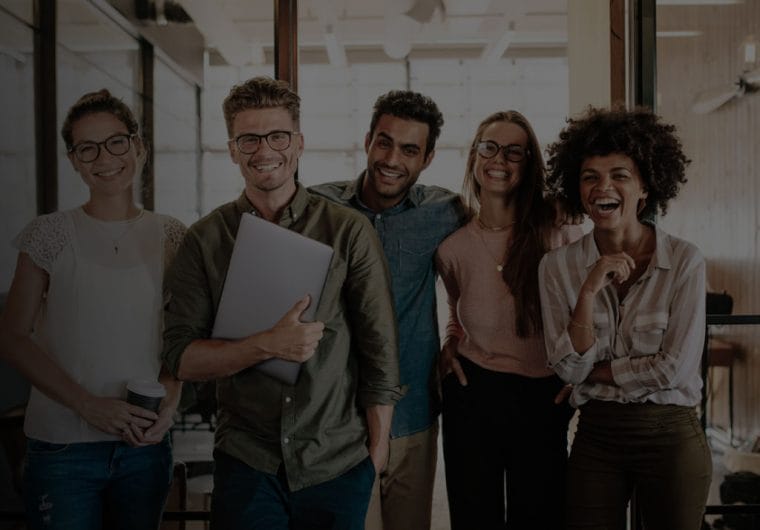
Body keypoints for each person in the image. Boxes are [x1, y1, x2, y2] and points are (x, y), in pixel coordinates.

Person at [162, 76, 402, 530]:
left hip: (337, 459)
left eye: (277, 136)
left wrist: (377, 450)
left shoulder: (348, 231)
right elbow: (182, 359)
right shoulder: (205, 240)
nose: (264, 150)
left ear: (299, 143)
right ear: (233, 149)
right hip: (247, 461)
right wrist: (267, 345)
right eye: (248, 138)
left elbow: (380, 351)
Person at [0, 89, 184, 529]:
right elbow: (11, 336)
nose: (105, 158)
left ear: (137, 146)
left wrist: (170, 404)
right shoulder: (49, 234)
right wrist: (87, 405)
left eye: (116, 141)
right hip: (63, 449)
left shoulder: (172, 235)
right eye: (88, 147)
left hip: (143, 446)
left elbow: (183, 336)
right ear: (74, 160)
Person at [539, 105, 711, 530]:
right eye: (590, 177)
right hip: (597, 435)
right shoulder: (557, 267)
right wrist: (590, 287)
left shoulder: (685, 261)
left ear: (646, 187)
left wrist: (593, 372)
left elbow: (675, 368)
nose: (603, 187)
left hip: (671, 433)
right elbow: (563, 366)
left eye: (620, 175)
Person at [310, 90, 466, 530]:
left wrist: (459, 336)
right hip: (337, 418)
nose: (392, 158)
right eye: (384, 142)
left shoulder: (446, 212)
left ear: (428, 158)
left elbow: (494, 248)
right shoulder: (319, 208)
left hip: (413, 410)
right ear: (367, 141)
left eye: (409, 149)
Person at [435, 110, 581, 530]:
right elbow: (455, 309)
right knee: (474, 517)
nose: (500, 159)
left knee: (539, 516)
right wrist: (449, 343)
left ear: (529, 163)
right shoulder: (452, 248)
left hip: (544, 395)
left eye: (514, 152)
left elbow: (594, 305)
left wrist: (583, 371)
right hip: (473, 392)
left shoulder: (559, 227)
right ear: (475, 158)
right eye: (490, 147)